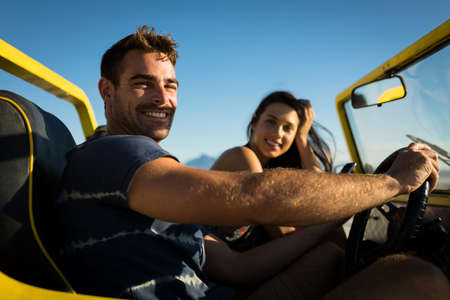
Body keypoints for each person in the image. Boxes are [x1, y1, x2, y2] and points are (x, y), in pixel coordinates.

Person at [54, 26, 448, 300]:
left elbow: (237, 269)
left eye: (170, 84)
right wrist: (389, 183)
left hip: (218, 291)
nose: (162, 97)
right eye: (143, 83)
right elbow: (254, 194)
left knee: (335, 259)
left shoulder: (149, 183)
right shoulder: (115, 152)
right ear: (107, 90)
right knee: (418, 279)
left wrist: (340, 214)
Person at [209, 91, 343, 250]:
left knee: (333, 240)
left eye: (288, 128)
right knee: (331, 250)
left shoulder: (274, 171)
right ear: (254, 122)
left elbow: (322, 195)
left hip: (248, 261)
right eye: (271, 122)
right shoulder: (241, 157)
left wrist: (302, 138)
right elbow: (281, 233)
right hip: (213, 265)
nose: (278, 133)